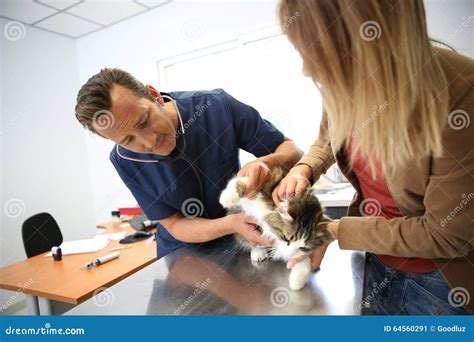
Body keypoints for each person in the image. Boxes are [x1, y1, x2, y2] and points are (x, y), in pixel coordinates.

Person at [275, 0, 473, 315]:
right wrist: (304, 168)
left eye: (318, 54)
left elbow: (446, 234)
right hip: (374, 260)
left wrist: (335, 231)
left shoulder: (461, 93)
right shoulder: (343, 82)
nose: (309, 70)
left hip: (437, 284)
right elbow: (329, 136)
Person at [74, 68, 303, 259]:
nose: (150, 141)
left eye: (144, 121)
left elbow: (291, 150)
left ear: (154, 95)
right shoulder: (124, 162)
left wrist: (267, 162)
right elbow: (174, 225)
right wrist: (231, 224)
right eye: (128, 140)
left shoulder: (215, 107)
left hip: (247, 239)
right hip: (184, 255)